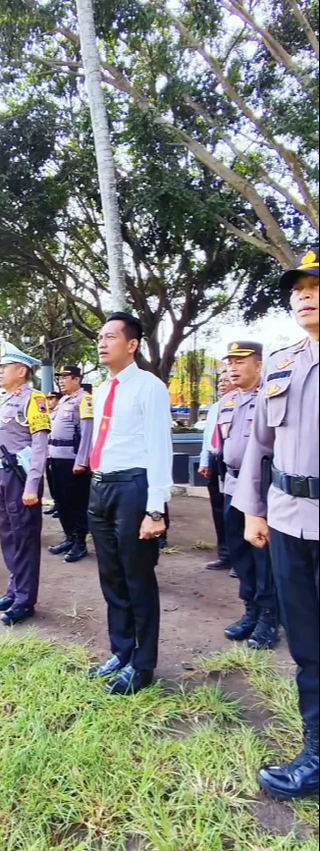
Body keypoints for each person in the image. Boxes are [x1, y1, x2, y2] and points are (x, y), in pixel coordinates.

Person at [234, 248, 319, 801]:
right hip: (288, 519)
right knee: (308, 642)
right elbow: (259, 448)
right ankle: (316, 751)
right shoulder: (284, 364)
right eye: (296, 289)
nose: (304, 295)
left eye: (315, 286)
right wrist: (254, 509)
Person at [89, 313, 173, 697]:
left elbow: (160, 448)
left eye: (110, 337)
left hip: (133, 488)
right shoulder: (104, 389)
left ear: (132, 344)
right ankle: (121, 652)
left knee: (138, 579)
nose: (102, 343)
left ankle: (143, 665)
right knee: (112, 577)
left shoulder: (149, 388)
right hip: (101, 487)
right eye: (100, 337)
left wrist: (155, 509)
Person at [217, 342, 280, 651]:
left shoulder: (271, 397)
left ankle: (270, 617)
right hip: (231, 485)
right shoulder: (227, 402)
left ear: (258, 365)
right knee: (239, 551)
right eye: (229, 361)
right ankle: (250, 610)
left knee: (263, 555)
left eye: (241, 361)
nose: (232, 367)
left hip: (260, 488)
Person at [0, 343, 50, 626]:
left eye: (4, 368)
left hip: (20, 477)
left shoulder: (33, 400)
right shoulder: (3, 399)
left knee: (24, 538)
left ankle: (25, 600)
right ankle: (14, 589)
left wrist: (32, 485)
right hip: (0, 476)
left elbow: (39, 445)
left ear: (21, 371)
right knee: (9, 537)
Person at [48, 366, 94, 564]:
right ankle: (69, 537)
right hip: (55, 457)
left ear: (76, 379)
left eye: (65, 377)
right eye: (59, 377)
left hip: (72, 459)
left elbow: (87, 432)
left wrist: (82, 461)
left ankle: (80, 543)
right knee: (62, 502)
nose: (61, 380)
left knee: (77, 503)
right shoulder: (64, 401)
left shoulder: (85, 400)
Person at [199, 369, 234, 571]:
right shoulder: (214, 408)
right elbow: (207, 438)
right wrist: (205, 462)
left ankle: (239, 557)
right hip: (215, 460)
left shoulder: (242, 404)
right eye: (219, 380)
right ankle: (225, 554)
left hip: (231, 462)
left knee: (235, 511)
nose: (222, 383)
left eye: (226, 379)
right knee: (218, 508)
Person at [44, 392, 62, 518]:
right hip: (49, 451)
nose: (49, 401)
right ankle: (56, 503)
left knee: (59, 482)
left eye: (52, 399)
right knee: (51, 481)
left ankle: (60, 506)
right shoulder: (48, 413)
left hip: (59, 452)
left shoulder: (60, 411)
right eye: (48, 399)